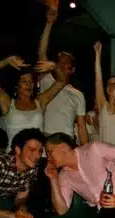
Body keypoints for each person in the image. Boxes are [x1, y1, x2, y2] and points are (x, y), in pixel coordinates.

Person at [0, 55, 65, 151]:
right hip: (14, 159)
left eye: (31, 81)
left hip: (39, 158)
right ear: (17, 85)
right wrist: (7, 61)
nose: (28, 84)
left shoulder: (40, 101)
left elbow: (62, 81)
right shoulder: (7, 102)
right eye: (24, 81)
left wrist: (55, 67)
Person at [38, 7, 89, 145]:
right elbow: (42, 52)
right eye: (59, 60)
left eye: (66, 62)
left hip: (67, 142)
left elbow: (82, 126)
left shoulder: (78, 94)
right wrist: (49, 24)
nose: (61, 64)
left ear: (72, 69)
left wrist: (87, 152)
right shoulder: (47, 80)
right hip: (45, 139)